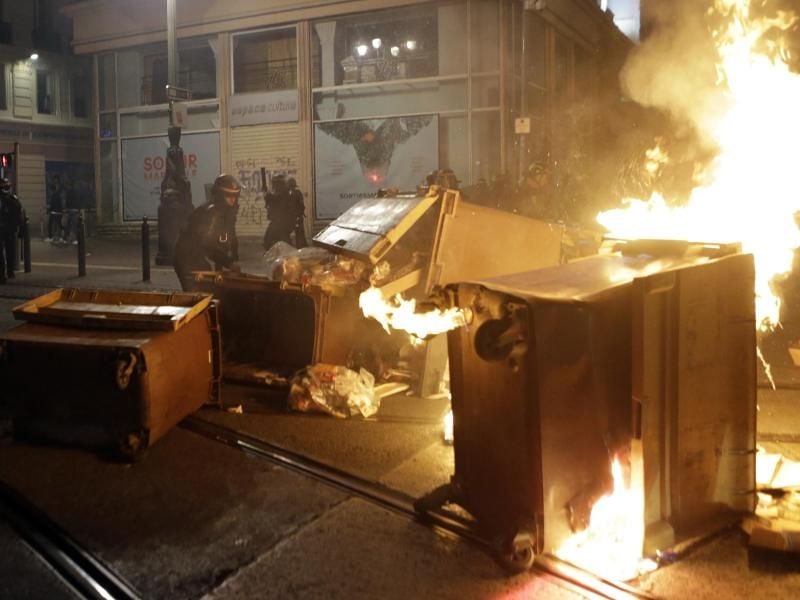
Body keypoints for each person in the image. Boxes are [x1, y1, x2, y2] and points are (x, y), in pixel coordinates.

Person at [173, 174, 241, 292]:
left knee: (213, 290)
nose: (232, 198)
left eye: (235, 195)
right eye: (228, 195)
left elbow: (225, 238)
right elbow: (208, 244)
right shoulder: (211, 213)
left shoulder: (226, 212)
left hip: (199, 256)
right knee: (198, 295)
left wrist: (230, 258)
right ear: (220, 194)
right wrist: (228, 263)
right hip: (187, 257)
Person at [262, 174, 295, 251]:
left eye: (274, 183)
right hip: (280, 222)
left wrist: (267, 195)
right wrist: (266, 195)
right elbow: (271, 201)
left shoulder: (284, 193)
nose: (273, 186)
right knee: (272, 240)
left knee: (270, 240)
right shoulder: (284, 192)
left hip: (281, 222)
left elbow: (275, 201)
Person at [0, 177, 22, 283]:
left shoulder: (12, 199)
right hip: (10, 229)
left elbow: (18, 214)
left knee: (5, 252)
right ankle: (10, 272)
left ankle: (3, 275)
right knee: (10, 251)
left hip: (4, 228)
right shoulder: (14, 198)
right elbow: (19, 215)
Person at [287, 177, 307, 248]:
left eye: (291, 186)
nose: (291, 188)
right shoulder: (288, 194)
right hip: (293, 217)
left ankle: (301, 247)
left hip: (297, 217)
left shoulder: (297, 193)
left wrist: (299, 215)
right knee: (297, 233)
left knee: (299, 234)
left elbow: (301, 205)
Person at [47, 175, 66, 241]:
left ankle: (52, 237)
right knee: (56, 224)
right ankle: (61, 235)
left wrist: (50, 210)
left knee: (56, 224)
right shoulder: (56, 194)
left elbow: (55, 203)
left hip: (56, 211)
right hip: (56, 211)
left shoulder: (56, 194)